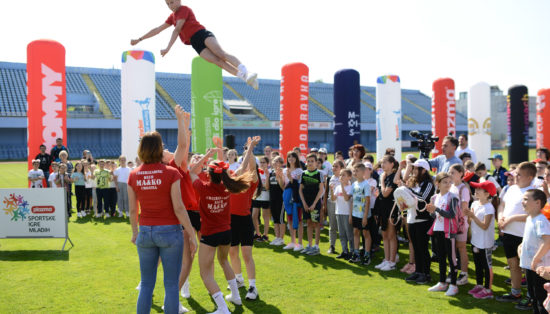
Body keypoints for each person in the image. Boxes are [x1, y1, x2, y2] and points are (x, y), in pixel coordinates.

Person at [127, 131, 197, 314]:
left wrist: (135, 232)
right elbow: (179, 208)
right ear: (160, 148)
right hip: (170, 232)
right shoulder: (171, 173)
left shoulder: (134, 175)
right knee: (171, 284)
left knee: (146, 284)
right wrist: (191, 233)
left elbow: (133, 210)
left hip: (145, 231)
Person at [131, 0, 259, 90]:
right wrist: (140, 39)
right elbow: (157, 29)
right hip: (194, 42)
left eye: (172, 2)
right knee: (217, 61)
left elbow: (177, 29)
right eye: (167, 3)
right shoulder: (172, 16)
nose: (170, 5)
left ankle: (247, 72)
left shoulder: (183, 10)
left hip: (201, 34)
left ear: (179, 0)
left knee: (220, 54)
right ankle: (245, 78)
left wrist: (168, 48)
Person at [190, 137, 254, 314]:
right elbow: (242, 166)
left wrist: (208, 155)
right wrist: (249, 148)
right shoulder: (228, 185)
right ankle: (236, 296)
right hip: (227, 231)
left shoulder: (203, 187)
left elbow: (190, 171)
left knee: (205, 273)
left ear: (209, 174)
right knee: (224, 261)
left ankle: (222, 308)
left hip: (210, 234)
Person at [496, 161, 537, 302]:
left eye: (519, 175)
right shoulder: (511, 189)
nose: (516, 177)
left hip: (524, 235)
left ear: (530, 177)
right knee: (513, 264)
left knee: (528, 268)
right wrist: (500, 217)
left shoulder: (533, 193)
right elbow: (502, 205)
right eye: (516, 174)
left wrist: (511, 218)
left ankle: (531, 297)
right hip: (509, 233)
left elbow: (533, 214)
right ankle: (515, 293)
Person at [228, 138, 261, 301]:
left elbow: (252, 167)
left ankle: (253, 286)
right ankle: (238, 278)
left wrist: (250, 149)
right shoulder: (234, 175)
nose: (247, 165)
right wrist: (248, 149)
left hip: (245, 220)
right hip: (231, 220)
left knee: (247, 254)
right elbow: (241, 167)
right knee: (232, 252)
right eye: (245, 163)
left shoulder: (252, 180)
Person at [397, 159, 435, 285]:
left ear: (424, 170)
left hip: (423, 219)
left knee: (423, 248)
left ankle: (426, 274)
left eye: (416, 168)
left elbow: (422, 198)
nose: (413, 171)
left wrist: (407, 190)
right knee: (416, 247)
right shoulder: (415, 182)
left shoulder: (428, 183)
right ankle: (418, 272)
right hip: (411, 219)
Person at [426, 172, 461, 296]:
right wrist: (431, 210)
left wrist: (436, 209)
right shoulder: (434, 198)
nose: (448, 184)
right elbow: (434, 215)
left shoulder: (453, 197)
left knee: (452, 259)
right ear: (438, 184)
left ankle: (453, 285)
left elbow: (451, 215)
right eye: (445, 182)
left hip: (449, 231)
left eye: (449, 182)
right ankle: (442, 283)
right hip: (437, 230)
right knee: (441, 257)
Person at [463, 180, 497, 299]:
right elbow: (470, 222)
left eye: (479, 190)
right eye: (476, 189)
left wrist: (472, 216)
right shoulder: (475, 204)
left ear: (487, 194)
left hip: (485, 243)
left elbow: (484, 225)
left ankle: (488, 290)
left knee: (486, 266)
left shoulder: (489, 208)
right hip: (475, 241)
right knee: (477, 265)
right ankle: (479, 285)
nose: (476, 191)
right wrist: (468, 215)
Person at [519, 189, 550, 313]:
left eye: (526, 199)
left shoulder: (540, 221)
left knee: (541, 299)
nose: (523, 201)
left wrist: (536, 259)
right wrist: (521, 246)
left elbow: (547, 241)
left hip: (539, 268)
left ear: (538, 203)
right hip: (530, 266)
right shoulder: (530, 218)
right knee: (533, 296)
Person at [374, 155, 399, 271]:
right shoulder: (384, 176)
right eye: (381, 162)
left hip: (392, 210)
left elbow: (385, 193)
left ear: (392, 164)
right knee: (384, 235)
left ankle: (392, 261)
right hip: (383, 209)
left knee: (391, 235)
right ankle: (387, 259)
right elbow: (380, 194)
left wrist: (382, 181)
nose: (382, 165)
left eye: (385, 162)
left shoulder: (392, 177)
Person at [298, 153, 325, 256]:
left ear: (316, 163)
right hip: (306, 203)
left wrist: (314, 204)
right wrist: (304, 203)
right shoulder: (303, 174)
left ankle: (316, 246)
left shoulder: (319, 174)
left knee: (316, 224)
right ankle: (309, 245)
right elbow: (300, 190)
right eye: (308, 161)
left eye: (312, 161)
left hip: (315, 203)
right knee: (309, 223)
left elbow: (321, 190)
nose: (310, 163)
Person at [448, 164, 471, 286]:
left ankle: (464, 273)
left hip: (460, 224)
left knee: (461, 248)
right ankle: (452, 270)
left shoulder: (463, 189)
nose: (450, 175)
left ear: (461, 173)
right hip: (450, 224)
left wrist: (454, 218)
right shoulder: (450, 187)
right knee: (451, 248)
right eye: (449, 172)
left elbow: (464, 208)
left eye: (453, 173)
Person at [347, 163, 372, 265]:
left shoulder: (366, 185)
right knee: (356, 232)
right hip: (355, 214)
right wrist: (350, 215)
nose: (355, 173)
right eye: (354, 171)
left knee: (366, 234)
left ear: (363, 172)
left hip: (364, 215)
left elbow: (367, 201)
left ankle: (367, 255)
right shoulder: (354, 184)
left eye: (357, 171)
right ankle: (356, 254)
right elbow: (352, 200)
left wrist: (365, 217)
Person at [282, 151, 305, 251]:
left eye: (293, 157)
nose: (291, 158)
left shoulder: (299, 170)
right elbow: (283, 186)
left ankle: (300, 243)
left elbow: (299, 185)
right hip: (287, 198)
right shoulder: (285, 170)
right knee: (290, 220)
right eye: (289, 157)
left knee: (298, 220)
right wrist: (279, 177)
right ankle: (292, 241)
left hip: (296, 199)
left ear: (296, 159)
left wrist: (291, 178)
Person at [331, 168, 354, 260]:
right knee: (341, 234)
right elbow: (333, 199)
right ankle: (345, 251)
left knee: (349, 233)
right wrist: (332, 190)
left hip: (347, 213)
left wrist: (341, 185)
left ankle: (352, 251)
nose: (341, 177)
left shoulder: (351, 187)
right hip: (338, 212)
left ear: (349, 177)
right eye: (340, 175)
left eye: (343, 175)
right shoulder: (337, 187)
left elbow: (346, 198)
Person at [326, 160, 344, 254]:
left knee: (342, 228)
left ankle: (345, 248)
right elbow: (326, 192)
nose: (333, 168)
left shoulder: (345, 179)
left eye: (336, 166)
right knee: (332, 226)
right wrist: (325, 205)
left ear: (341, 168)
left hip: (342, 205)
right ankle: (332, 246)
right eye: (333, 166)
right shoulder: (330, 178)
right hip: (331, 203)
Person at [268, 156, 286, 246]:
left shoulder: (283, 172)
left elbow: (283, 186)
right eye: (274, 161)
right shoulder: (271, 172)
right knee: (275, 219)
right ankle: (277, 237)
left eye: (278, 161)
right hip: (272, 198)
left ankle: (281, 239)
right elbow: (268, 187)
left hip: (281, 199)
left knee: (281, 219)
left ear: (281, 163)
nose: (275, 163)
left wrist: (279, 176)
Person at [251, 157, 270, 242]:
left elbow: (267, 187)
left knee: (265, 216)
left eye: (264, 162)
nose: (262, 164)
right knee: (254, 216)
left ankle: (265, 235)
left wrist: (267, 176)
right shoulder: (257, 172)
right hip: (257, 197)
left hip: (266, 197)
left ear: (267, 163)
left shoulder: (269, 172)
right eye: (261, 162)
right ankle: (257, 233)